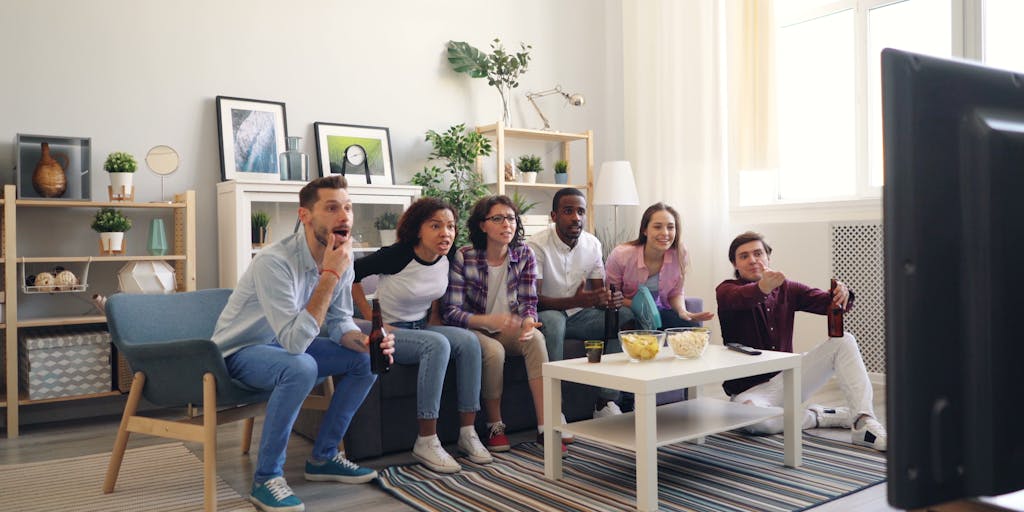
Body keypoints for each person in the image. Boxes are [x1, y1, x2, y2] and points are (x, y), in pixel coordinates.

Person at [211, 175, 396, 512]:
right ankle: (266, 478)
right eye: (331, 208)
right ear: (305, 215)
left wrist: (364, 340)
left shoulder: (342, 257)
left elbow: (339, 322)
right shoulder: (274, 262)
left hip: (288, 347)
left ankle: (324, 457)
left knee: (366, 360)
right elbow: (296, 344)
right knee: (301, 365)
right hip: (240, 352)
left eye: (348, 208)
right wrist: (329, 276)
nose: (344, 216)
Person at [352, 197, 490, 474]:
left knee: (469, 341)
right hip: (390, 330)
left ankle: (467, 433)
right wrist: (371, 319)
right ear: (418, 229)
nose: (445, 233)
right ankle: (426, 440)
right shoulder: (398, 255)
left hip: (421, 327)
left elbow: (434, 290)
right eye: (436, 226)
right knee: (437, 344)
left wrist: (436, 320)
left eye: (450, 226)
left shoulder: (447, 255)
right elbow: (352, 273)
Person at [716, 231, 888, 451]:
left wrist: (842, 293)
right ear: (735, 264)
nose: (752, 260)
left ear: (768, 257)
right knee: (757, 423)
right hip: (750, 393)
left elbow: (829, 303)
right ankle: (822, 416)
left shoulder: (788, 288)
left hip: (790, 378)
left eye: (758, 253)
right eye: (744, 256)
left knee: (844, 341)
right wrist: (763, 288)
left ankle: (863, 421)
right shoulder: (726, 290)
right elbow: (744, 298)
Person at [442, 195, 567, 454]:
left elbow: (529, 300)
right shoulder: (465, 257)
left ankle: (546, 427)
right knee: (494, 351)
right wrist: (487, 320)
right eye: (497, 219)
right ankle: (495, 425)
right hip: (474, 329)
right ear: (482, 225)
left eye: (510, 218)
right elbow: (450, 312)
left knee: (536, 340)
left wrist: (529, 322)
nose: (506, 224)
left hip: (510, 327)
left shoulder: (524, 254)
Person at [528, 187, 633, 419]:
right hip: (549, 314)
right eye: (568, 211)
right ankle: (554, 408)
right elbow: (534, 301)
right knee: (555, 322)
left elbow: (598, 292)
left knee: (622, 315)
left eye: (581, 212)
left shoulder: (592, 244)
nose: (576, 217)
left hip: (581, 317)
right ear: (554, 216)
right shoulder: (537, 245)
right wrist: (574, 300)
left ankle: (605, 401)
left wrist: (609, 299)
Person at [605, 202, 715, 329]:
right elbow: (613, 297)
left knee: (692, 328)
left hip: (659, 312)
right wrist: (642, 308)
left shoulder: (679, 253)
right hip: (629, 311)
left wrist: (682, 311)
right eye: (657, 227)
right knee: (631, 321)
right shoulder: (621, 255)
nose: (665, 233)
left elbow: (675, 292)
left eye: (670, 227)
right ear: (644, 230)